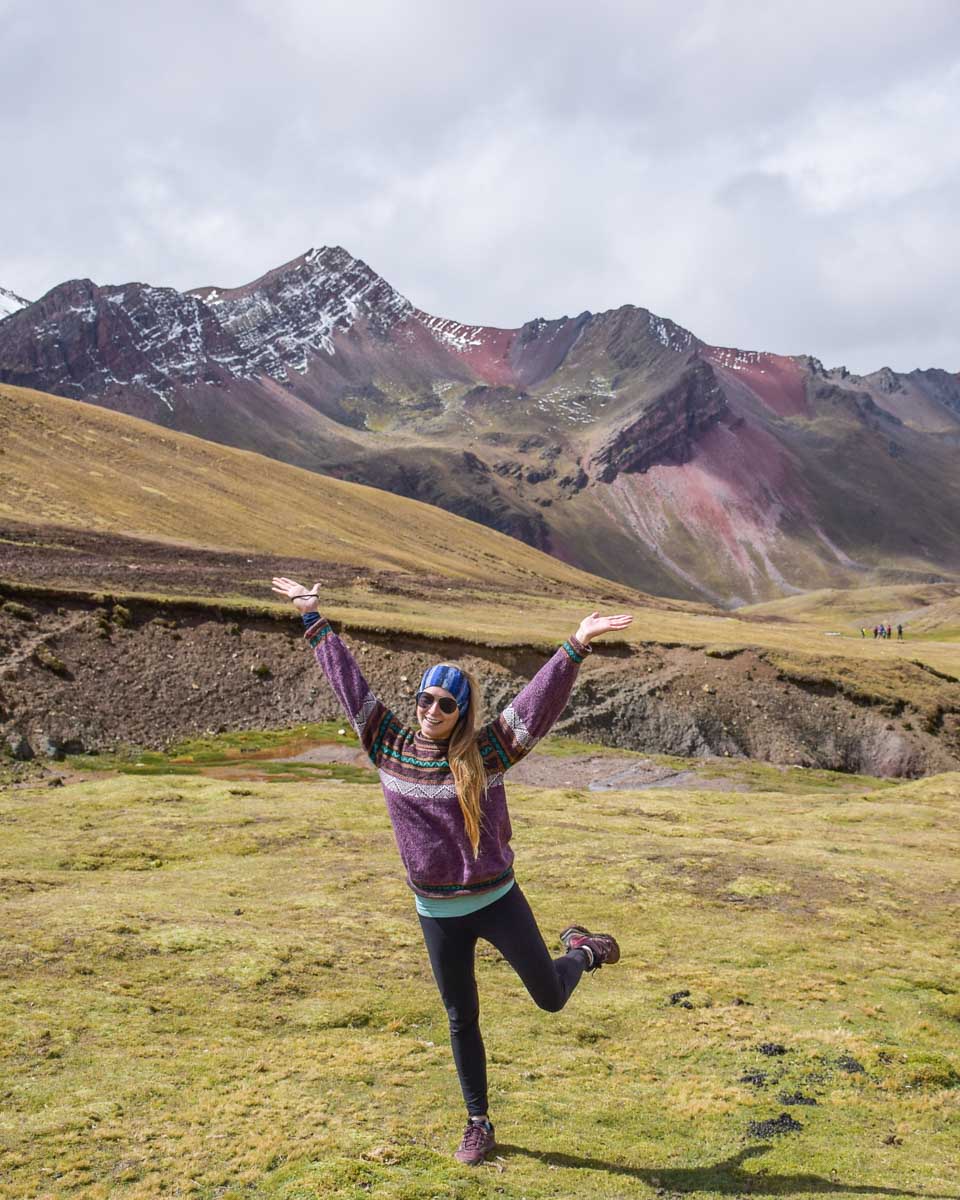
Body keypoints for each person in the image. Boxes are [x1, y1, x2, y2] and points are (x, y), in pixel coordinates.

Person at [271, 576, 632, 1166]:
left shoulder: (485, 754)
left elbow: (534, 709)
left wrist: (576, 645)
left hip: (495, 899)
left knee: (549, 998)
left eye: (445, 704)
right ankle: (478, 1124)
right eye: (425, 699)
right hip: (436, 913)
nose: (431, 710)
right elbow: (349, 685)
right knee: (461, 1017)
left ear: (460, 712)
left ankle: (584, 952)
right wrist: (312, 618)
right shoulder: (386, 742)